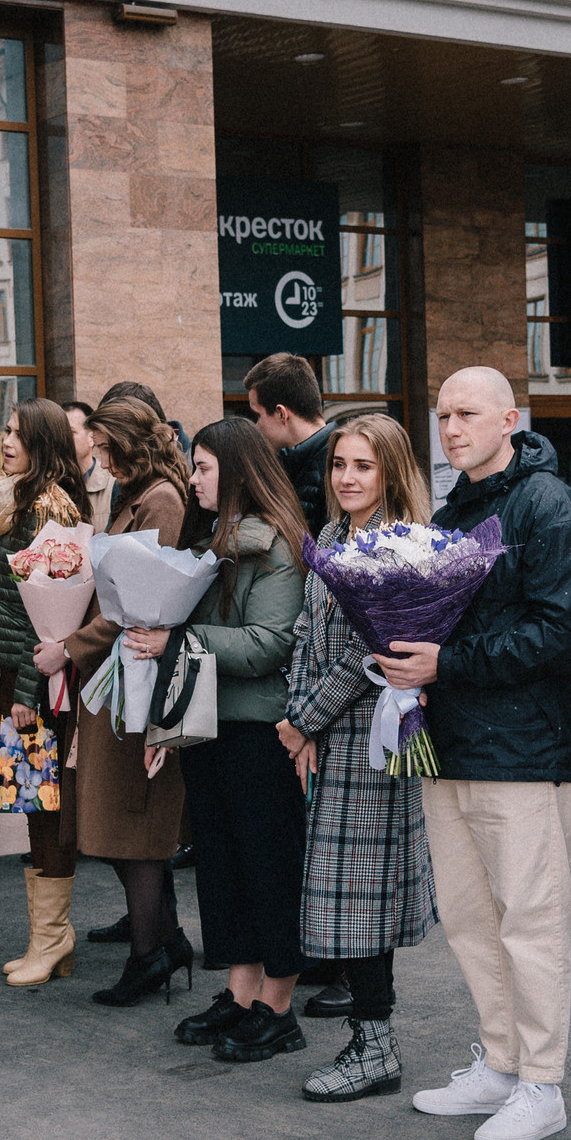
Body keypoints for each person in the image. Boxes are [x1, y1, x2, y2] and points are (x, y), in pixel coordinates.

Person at [386, 367, 571, 1140]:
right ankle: (502, 1065)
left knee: (530, 920)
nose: (450, 427)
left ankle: (543, 1083)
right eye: (441, 414)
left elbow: (560, 637)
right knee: (473, 919)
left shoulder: (549, 505)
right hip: (454, 741)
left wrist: (445, 663)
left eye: (466, 412)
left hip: (525, 745)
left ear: (511, 416)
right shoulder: (453, 509)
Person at [136, 418, 308, 1059]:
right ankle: (239, 993)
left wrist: (178, 640)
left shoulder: (280, 547)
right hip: (208, 727)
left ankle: (279, 1005)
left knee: (268, 868)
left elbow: (269, 645)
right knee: (223, 870)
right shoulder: (213, 540)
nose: (193, 477)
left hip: (260, 732)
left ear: (236, 472)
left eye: (203, 467)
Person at [279, 414, 437, 1102]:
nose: (345, 476)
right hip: (326, 734)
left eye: (362, 466)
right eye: (339, 464)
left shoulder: (400, 547)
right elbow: (306, 631)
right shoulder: (335, 535)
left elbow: (364, 653)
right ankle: (371, 1042)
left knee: (359, 899)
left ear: (392, 473)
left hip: (372, 737)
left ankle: (375, 1047)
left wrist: (304, 719)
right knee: (344, 896)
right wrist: (298, 718)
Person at [41, 396, 197, 1004]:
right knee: (115, 822)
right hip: (116, 679)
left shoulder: (160, 497)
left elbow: (141, 600)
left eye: (105, 446)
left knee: (133, 823)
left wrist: (68, 647)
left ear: (130, 441)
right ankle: (163, 942)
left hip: (133, 681)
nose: (99, 458)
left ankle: (150, 956)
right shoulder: (144, 492)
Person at [244, 351, 351, 1020]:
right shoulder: (298, 463)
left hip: (331, 664)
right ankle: (321, 952)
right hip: (307, 664)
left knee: (331, 821)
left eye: (256, 415)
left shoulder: (324, 466)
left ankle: (342, 960)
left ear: (281, 413)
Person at [0, 400, 96, 987]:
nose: (5, 442)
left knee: (44, 804)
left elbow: (50, 610)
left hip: (39, 685)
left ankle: (51, 940)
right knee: (32, 803)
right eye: (5, 431)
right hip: (23, 678)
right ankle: (49, 941)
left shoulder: (49, 509)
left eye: (17, 435)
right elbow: (20, 590)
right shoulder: (21, 501)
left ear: (44, 444)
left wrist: (27, 687)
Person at [244, 353, 336, 534]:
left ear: (281, 414)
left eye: (258, 415)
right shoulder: (291, 460)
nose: (256, 426)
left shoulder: (337, 465)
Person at [62, 400, 112, 518]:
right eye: (59, 432)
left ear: (91, 438)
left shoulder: (112, 484)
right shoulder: (48, 486)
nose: (62, 439)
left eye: (70, 432)